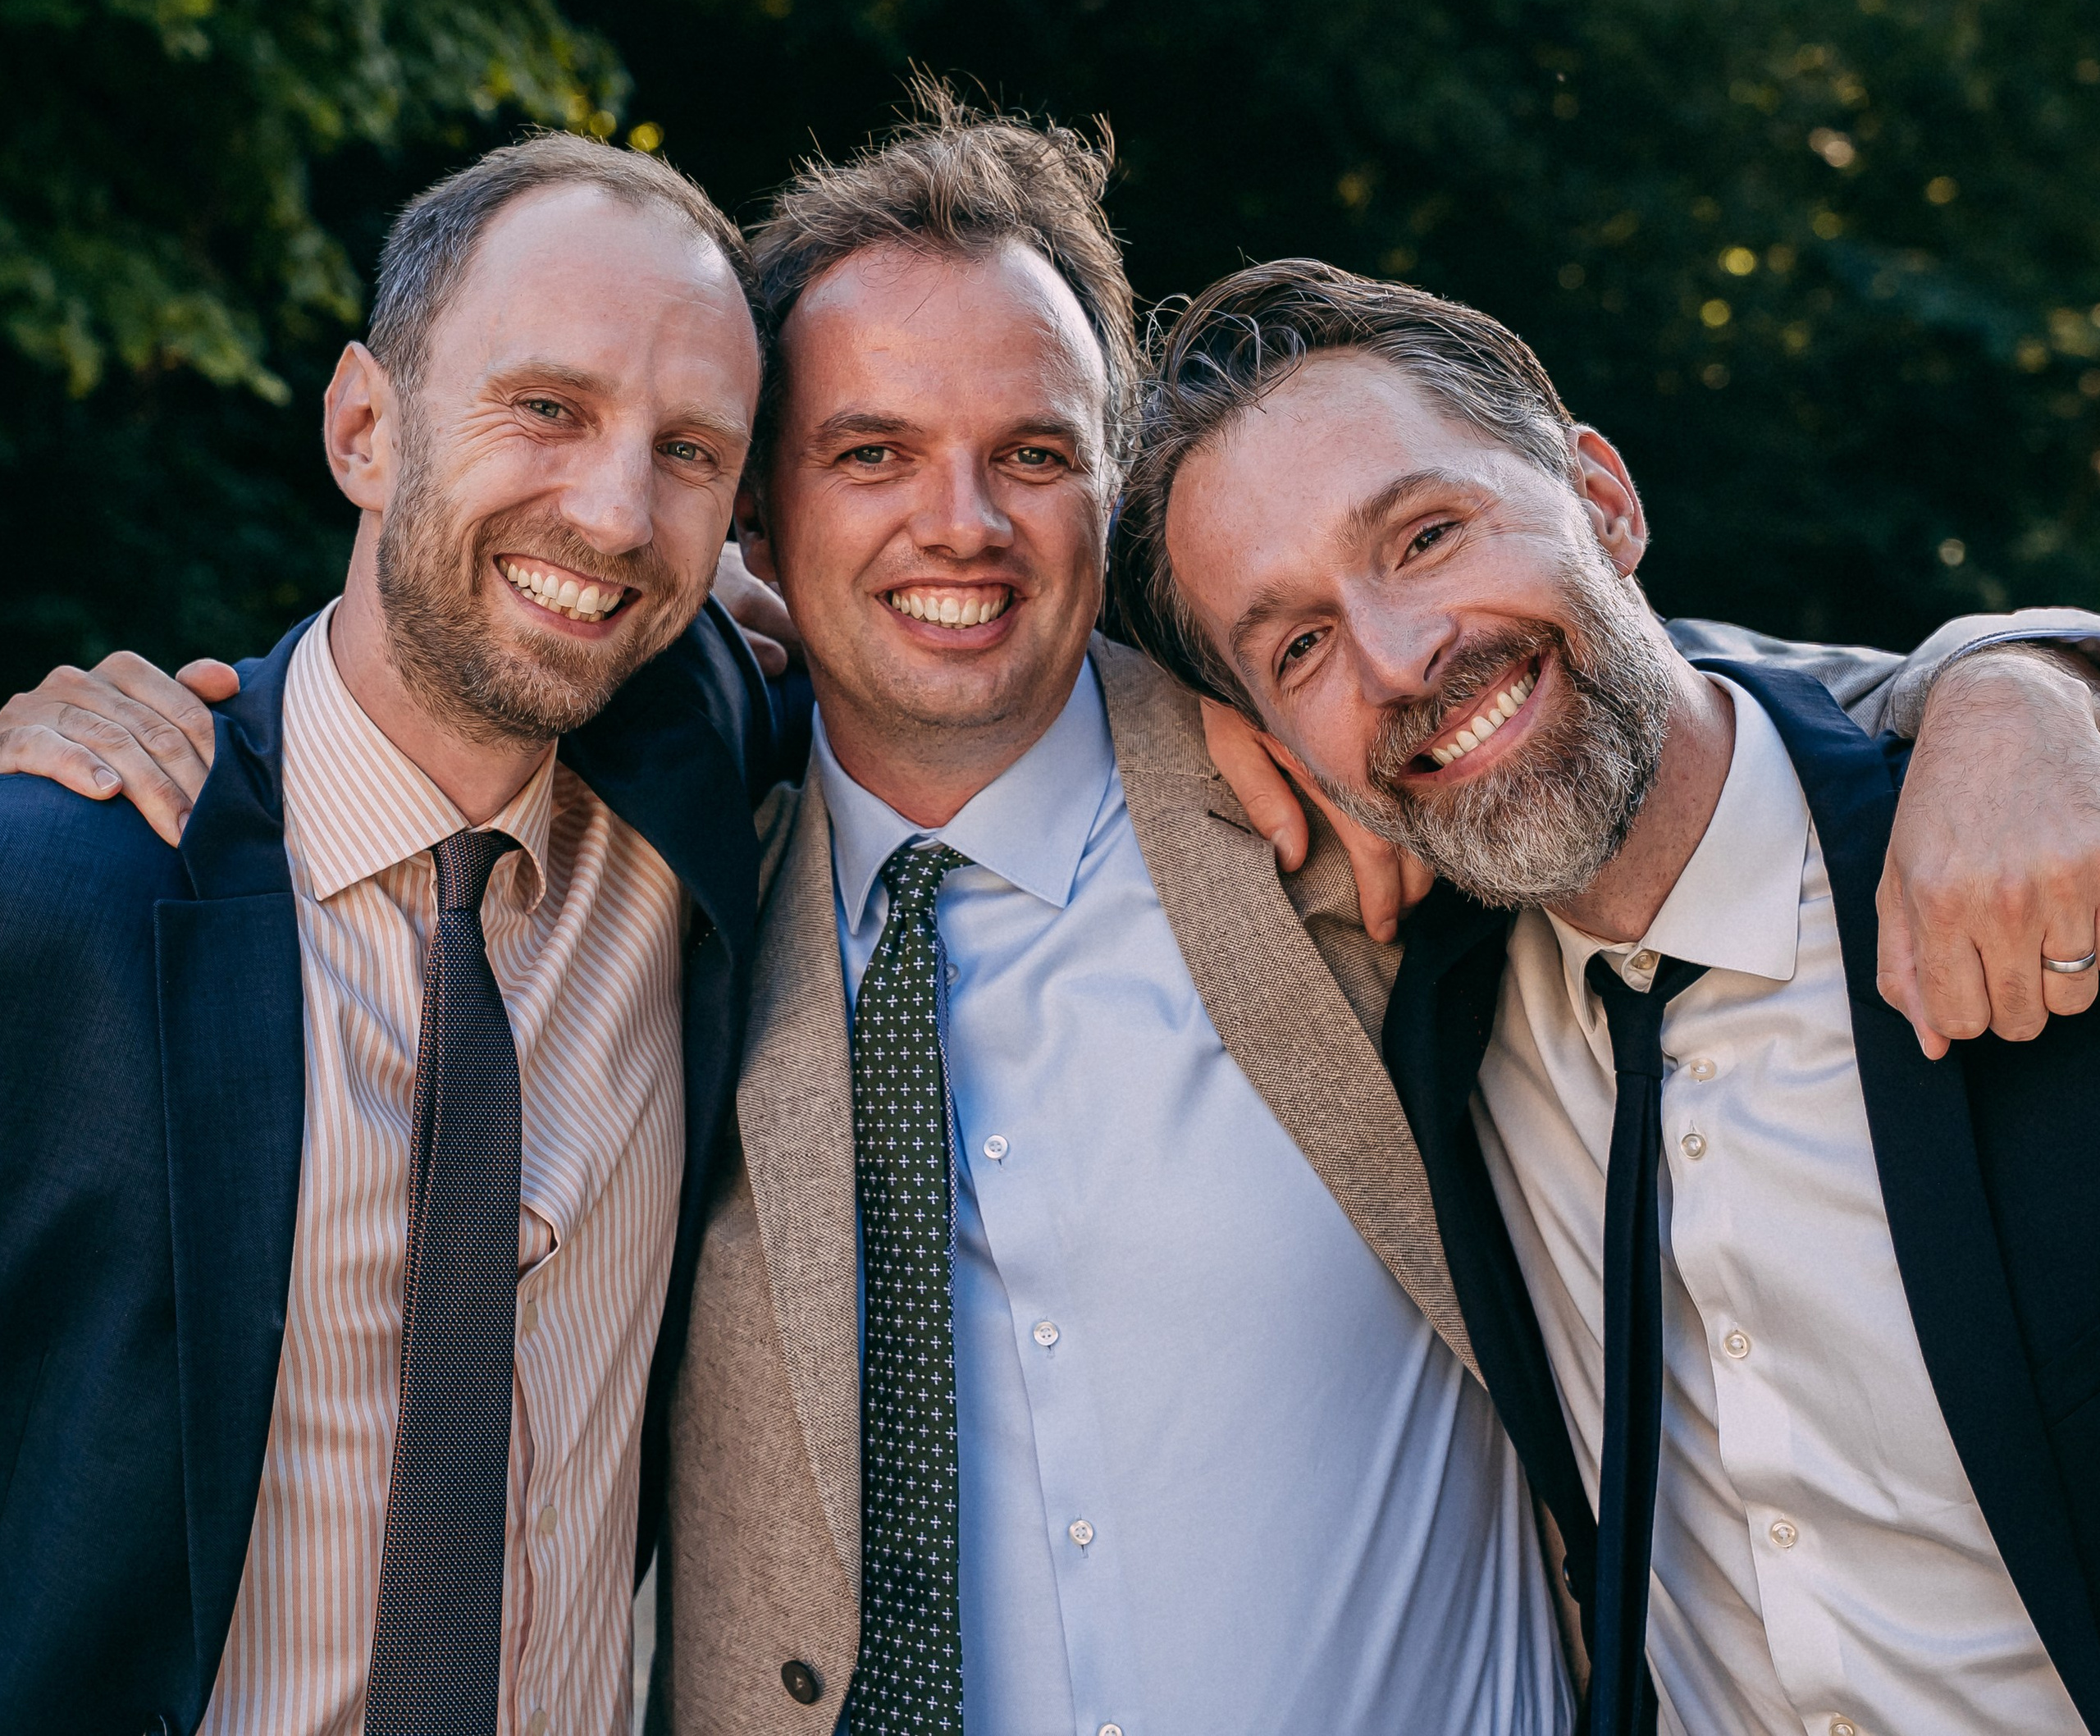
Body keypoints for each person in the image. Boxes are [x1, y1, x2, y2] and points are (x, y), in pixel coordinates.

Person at [12, 108, 2100, 1736]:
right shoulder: (662, 855)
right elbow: (423, 674)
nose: (959, 521)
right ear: (761, 524)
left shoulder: (1345, 833)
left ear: (1109, 498)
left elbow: (1606, 710)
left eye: (1030, 450)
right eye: (869, 453)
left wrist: (2007, 681)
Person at [1112, 255, 2100, 1736]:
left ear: (1606, 500)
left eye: (1428, 535)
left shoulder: (2020, 855)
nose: (1400, 661)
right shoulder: (1431, 1015)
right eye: (1299, 644)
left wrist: (2030, 676)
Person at [0, 133, 781, 1736]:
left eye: (689, 449)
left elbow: (980, 626)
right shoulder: (69, 881)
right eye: (547, 408)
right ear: (363, 424)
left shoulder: (705, 767)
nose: (617, 510)